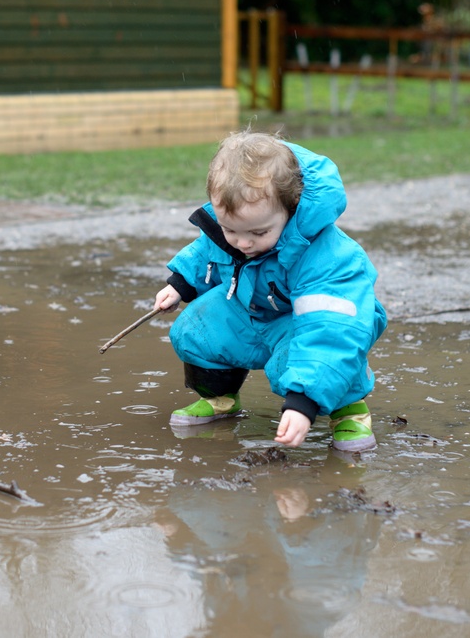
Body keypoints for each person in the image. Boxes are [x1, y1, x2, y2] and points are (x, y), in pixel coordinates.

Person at [153, 129, 386, 451]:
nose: (243, 243)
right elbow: (208, 249)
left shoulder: (328, 256)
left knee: (311, 352)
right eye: (230, 229)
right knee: (196, 328)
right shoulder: (239, 230)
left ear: (291, 207)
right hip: (251, 310)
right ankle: (220, 398)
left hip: (304, 322)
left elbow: (331, 329)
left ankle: (349, 411)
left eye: (259, 233)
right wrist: (181, 283)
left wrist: (302, 404)